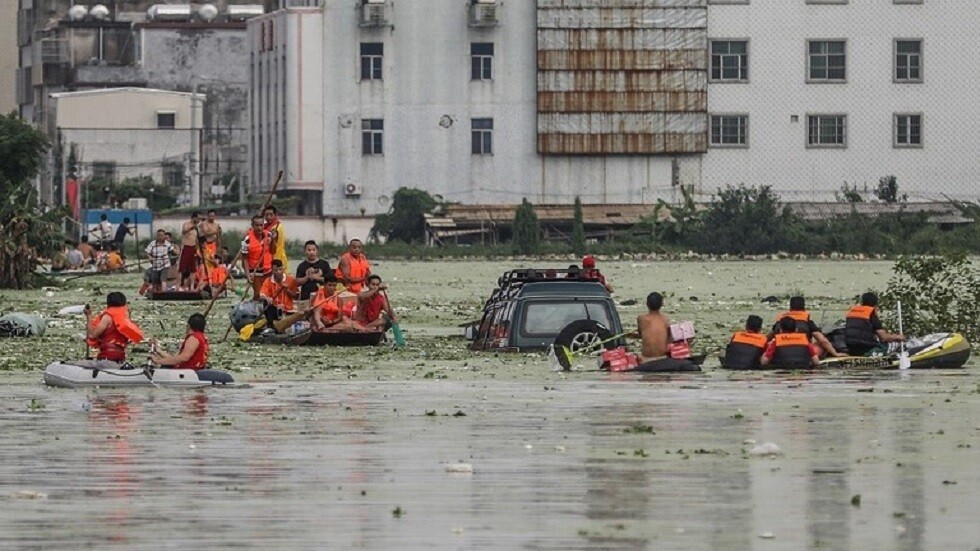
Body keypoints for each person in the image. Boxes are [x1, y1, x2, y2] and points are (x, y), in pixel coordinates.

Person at [770, 296, 844, 358]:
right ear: (804, 308)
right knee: (820, 345)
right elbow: (822, 339)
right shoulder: (807, 322)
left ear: (790, 308)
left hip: (781, 353)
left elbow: (768, 337)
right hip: (803, 352)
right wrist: (835, 353)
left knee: (771, 344)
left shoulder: (779, 322)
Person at [85, 292, 144, 362]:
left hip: (106, 356)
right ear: (124, 304)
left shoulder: (107, 317)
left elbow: (91, 336)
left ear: (108, 304)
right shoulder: (126, 316)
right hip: (121, 357)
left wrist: (88, 315)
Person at [844, 292, 906, 356]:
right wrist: (897, 337)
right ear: (875, 305)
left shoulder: (852, 313)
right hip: (866, 349)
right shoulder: (871, 314)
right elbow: (884, 338)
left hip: (851, 348)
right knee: (889, 345)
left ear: (862, 303)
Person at [259, 259, 300, 332]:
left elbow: (297, 296)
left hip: (287, 309)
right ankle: (271, 326)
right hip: (274, 309)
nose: (278, 272)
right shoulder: (268, 281)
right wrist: (267, 298)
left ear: (283, 269)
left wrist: (288, 290)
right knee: (266, 303)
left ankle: (275, 326)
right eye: (276, 270)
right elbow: (262, 294)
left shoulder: (290, 279)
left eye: (280, 269)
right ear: (272, 270)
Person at [241, 215, 274, 301]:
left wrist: (272, 240)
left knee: (269, 294)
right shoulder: (247, 240)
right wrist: (248, 276)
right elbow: (244, 259)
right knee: (259, 294)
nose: (259, 228)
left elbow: (273, 250)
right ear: (252, 226)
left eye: (261, 225)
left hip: (268, 270)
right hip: (255, 272)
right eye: (257, 225)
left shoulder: (269, 235)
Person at [636, 292, 671, 362]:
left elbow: (641, 334)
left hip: (646, 359)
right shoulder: (665, 319)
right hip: (662, 358)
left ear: (647, 304)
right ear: (661, 305)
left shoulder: (641, 319)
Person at [142, 229, 175, 295]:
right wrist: (150, 257)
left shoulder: (167, 243)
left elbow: (174, 251)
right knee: (155, 280)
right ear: (157, 236)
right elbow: (147, 252)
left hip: (165, 264)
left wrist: (178, 251)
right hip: (156, 265)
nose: (161, 237)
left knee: (163, 279)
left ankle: (164, 294)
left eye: (162, 235)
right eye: (159, 235)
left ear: (164, 236)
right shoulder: (152, 243)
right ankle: (154, 292)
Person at [179, 212, 202, 290]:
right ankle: (178, 286)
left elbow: (196, 240)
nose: (199, 220)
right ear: (194, 218)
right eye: (198, 218)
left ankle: (191, 287)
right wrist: (192, 227)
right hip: (185, 247)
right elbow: (184, 231)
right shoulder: (186, 224)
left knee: (193, 269)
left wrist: (199, 250)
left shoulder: (197, 229)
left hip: (193, 248)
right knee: (181, 268)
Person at [263, 205, 287, 271]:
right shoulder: (266, 226)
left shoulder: (276, 228)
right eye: (266, 215)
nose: (268, 217)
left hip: (277, 259)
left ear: (275, 215)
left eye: (271, 214)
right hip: (269, 260)